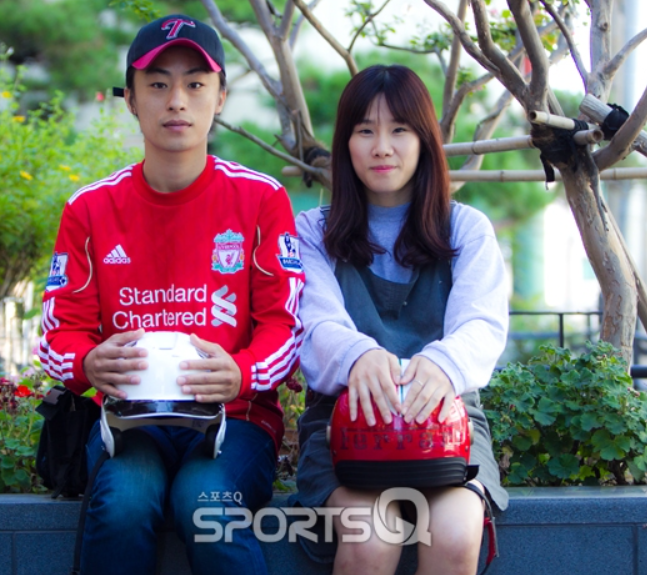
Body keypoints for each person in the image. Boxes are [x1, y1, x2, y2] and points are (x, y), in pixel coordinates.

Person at [39, 14, 305, 575]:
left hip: (236, 418)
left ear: (220, 97)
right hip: (127, 420)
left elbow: (285, 325)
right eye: (158, 84)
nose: (177, 101)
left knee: (206, 502)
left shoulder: (261, 199)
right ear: (132, 100)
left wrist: (242, 372)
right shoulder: (89, 208)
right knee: (126, 502)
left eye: (195, 84)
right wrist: (87, 362)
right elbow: (58, 333)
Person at [293, 64, 509, 575]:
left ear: (424, 140)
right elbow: (313, 323)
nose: (382, 147)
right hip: (343, 425)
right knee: (372, 536)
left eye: (399, 130)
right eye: (365, 130)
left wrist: (442, 364)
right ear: (345, 143)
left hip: (448, 422)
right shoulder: (312, 232)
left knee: (455, 533)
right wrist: (358, 357)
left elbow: (482, 323)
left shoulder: (466, 229)